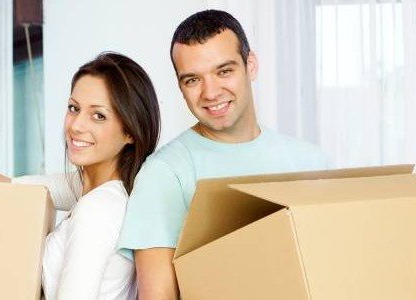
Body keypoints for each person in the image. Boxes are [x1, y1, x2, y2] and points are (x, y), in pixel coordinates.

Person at [114, 10, 330, 299]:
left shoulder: (311, 162)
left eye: (224, 71)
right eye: (192, 80)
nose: (210, 92)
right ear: (180, 86)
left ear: (250, 65)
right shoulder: (164, 173)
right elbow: (158, 296)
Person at [0, 52, 161, 300]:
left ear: (130, 132)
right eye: (73, 108)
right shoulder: (89, 188)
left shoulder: (97, 208)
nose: (76, 125)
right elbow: (10, 186)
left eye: (98, 115)